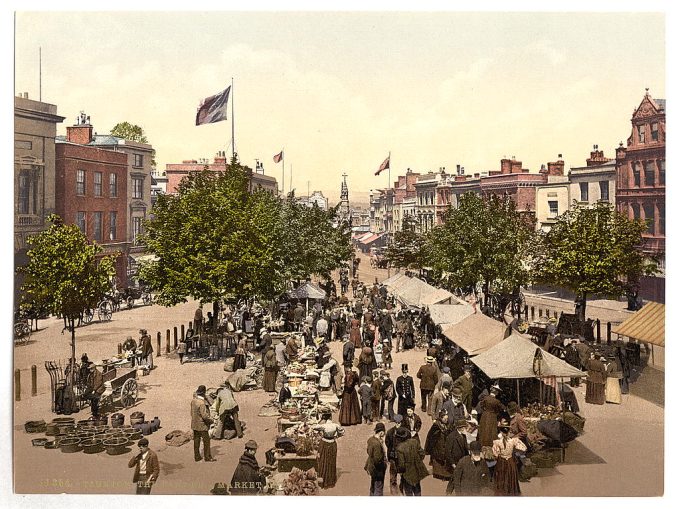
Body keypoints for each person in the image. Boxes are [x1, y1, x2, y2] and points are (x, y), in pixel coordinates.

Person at [492, 418, 527, 495]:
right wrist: (514, 450)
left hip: (501, 462)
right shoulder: (514, 440)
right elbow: (524, 448)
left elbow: (495, 454)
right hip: (511, 461)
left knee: (502, 476)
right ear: (509, 431)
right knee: (511, 476)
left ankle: (502, 492)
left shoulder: (497, 442)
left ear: (501, 431)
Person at [314, 412, 344, 489]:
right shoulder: (335, 425)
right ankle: (330, 481)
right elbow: (342, 432)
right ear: (330, 417)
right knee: (331, 461)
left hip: (324, 443)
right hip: (332, 443)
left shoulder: (323, 426)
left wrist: (321, 421)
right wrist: (336, 436)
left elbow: (314, 427)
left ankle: (323, 481)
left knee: (323, 461)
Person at [396, 429, 430, 496]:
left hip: (407, 473)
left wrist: (400, 472)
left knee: (408, 491)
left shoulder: (399, 448)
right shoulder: (414, 442)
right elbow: (422, 453)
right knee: (417, 490)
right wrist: (418, 460)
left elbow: (401, 465)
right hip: (417, 470)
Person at [424, 409, 453, 480]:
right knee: (438, 460)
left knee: (445, 459)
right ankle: (439, 474)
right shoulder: (436, 426)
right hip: (438, 446)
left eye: (447, 418)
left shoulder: (448, 424)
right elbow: (431, 437)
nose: (446, 420)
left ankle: (445, 475)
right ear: (441, 418)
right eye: (445, 419)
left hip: (445, 445)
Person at [191, 385, 215, 462]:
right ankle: (207, 457)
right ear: (204, 393)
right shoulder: (202, 403)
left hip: (194, 424)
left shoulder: (193, 401)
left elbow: (191, 413)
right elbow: (204, 416)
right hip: (202, 425)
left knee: (196, 440)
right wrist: (211, 420)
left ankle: (197, 456)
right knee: (206, 441)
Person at [365, 422, 387, 495]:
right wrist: (384, 464)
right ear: (381, 432)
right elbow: (378, 459)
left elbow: (368, 451)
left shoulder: (370, 439)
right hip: (378, 469)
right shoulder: (377, 444)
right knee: (378, 487)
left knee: (373, 485)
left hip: (371, 466)